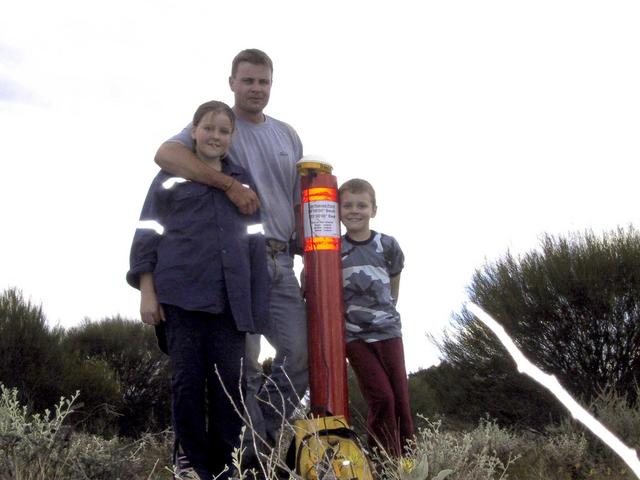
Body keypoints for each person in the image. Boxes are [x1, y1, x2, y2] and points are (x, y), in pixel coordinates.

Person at [154, 49, 308, 454]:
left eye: (264, 82)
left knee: (299, 355)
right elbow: (166, 155)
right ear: (232, 83)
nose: (256, 88)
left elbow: (296, 201)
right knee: (246, 365)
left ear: (271, 85)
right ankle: (250, 455)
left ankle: (262, 435)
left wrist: (308, 253)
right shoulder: (218, 124)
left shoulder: (287, 135)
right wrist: (228, 186)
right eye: (248, 81)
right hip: (236, 264)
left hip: (281, 261)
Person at [127, 100, 269, 480]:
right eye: (208, 128)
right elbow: (147, 234)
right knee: (187, 384)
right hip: (180, 298)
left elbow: (255, 244)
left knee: (229, 388)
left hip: (230, 304)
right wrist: (147, 290)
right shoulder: (169, 179)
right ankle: (189, 460)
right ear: (193, 131)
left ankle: (225, 466)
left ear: (231, 138)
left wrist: (255, 304)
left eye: (223, 131)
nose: (215, 136)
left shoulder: (244, 184)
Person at [338, 178, 415, 456]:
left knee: (401, 400)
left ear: (374, 210)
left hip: (388, 332)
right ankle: (381, 459)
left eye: (362, 205)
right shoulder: (334, 249)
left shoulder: (387, 245)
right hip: (354, 337)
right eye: (347, 205)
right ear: (338, 210)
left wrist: (387, 311)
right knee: (381, 397)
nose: (354, 211)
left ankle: (406, 462)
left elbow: (394, 282)